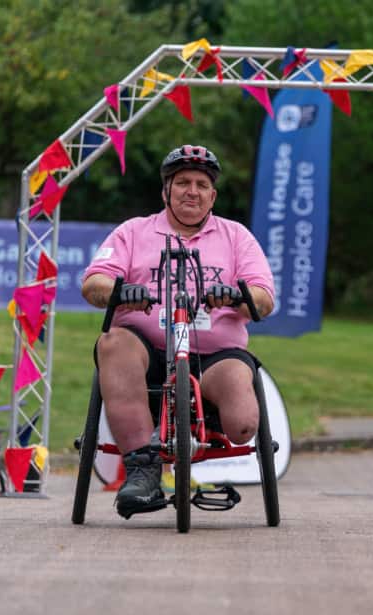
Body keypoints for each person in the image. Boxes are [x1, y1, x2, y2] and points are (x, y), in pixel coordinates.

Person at [82, 144, 275, 519]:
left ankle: (213, 420)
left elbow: (264, 297)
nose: (192, 191)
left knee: (245, 423)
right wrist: (121, 292)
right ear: (165, 191)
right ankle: (142, 470)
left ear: (213, 195)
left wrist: (235, 297)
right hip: (147, 352)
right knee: (113, 341)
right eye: (182, 182)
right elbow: (94, 283)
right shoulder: (134, 232)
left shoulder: (236, 237)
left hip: (215, 358)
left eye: (201, 184)